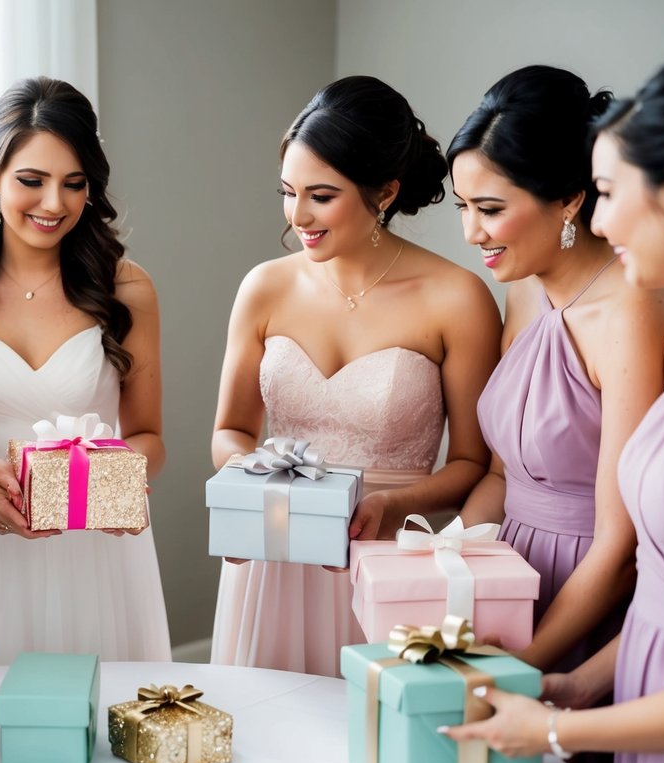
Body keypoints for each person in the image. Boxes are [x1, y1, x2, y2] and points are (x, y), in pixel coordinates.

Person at [444, 57, 664, 763]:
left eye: (489, 207)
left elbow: (626, 547)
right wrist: (444, 558)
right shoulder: (525, 294)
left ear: (569, 202)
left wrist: (543, 679)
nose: (470, 231)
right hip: (545, 598)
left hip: (600, 604)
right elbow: (497, 471)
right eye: (460, 205)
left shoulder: (639, 313)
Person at [210, 76, 501, 678]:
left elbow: (473, 463)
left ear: (385, 192)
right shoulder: (264, 286)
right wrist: (253, 495)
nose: (298, 216)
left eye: (321, 195)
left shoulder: (457, 298)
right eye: (288, 192)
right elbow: (231, 431)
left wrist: (392, 504)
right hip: (276, 558)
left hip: (387, 562)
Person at [0, 76, 171, 665]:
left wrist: (111, 488)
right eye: (31, 181)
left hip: (95, 550)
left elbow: (149, 437)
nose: (54, 204)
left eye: (74, 184)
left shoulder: (127, 287)